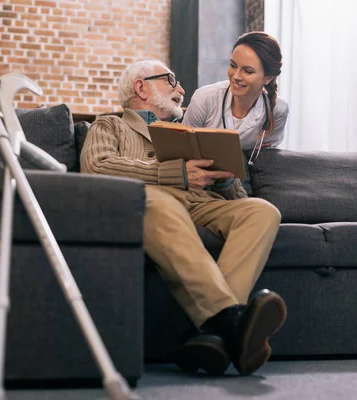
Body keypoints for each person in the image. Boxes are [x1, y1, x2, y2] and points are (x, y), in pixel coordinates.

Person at [80, 59, 287, 377]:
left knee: (262, 211)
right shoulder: (109, 126)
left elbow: (239, 199)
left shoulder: (195, 133)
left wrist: (224, 178)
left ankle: (213, 335)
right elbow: (96, 167)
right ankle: (228, 321)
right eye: (171, 80)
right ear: (141, 87)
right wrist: (174, 172)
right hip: (156, 203)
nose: (182, 89)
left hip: (202, 205)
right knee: (155, 200)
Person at [182, 31, 289, 164]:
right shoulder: (204, 99)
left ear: (268, 78)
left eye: (248, 71)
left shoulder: (277, 111)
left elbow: (265, 159)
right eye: (233, 65)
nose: (236, 76)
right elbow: (183, 151)